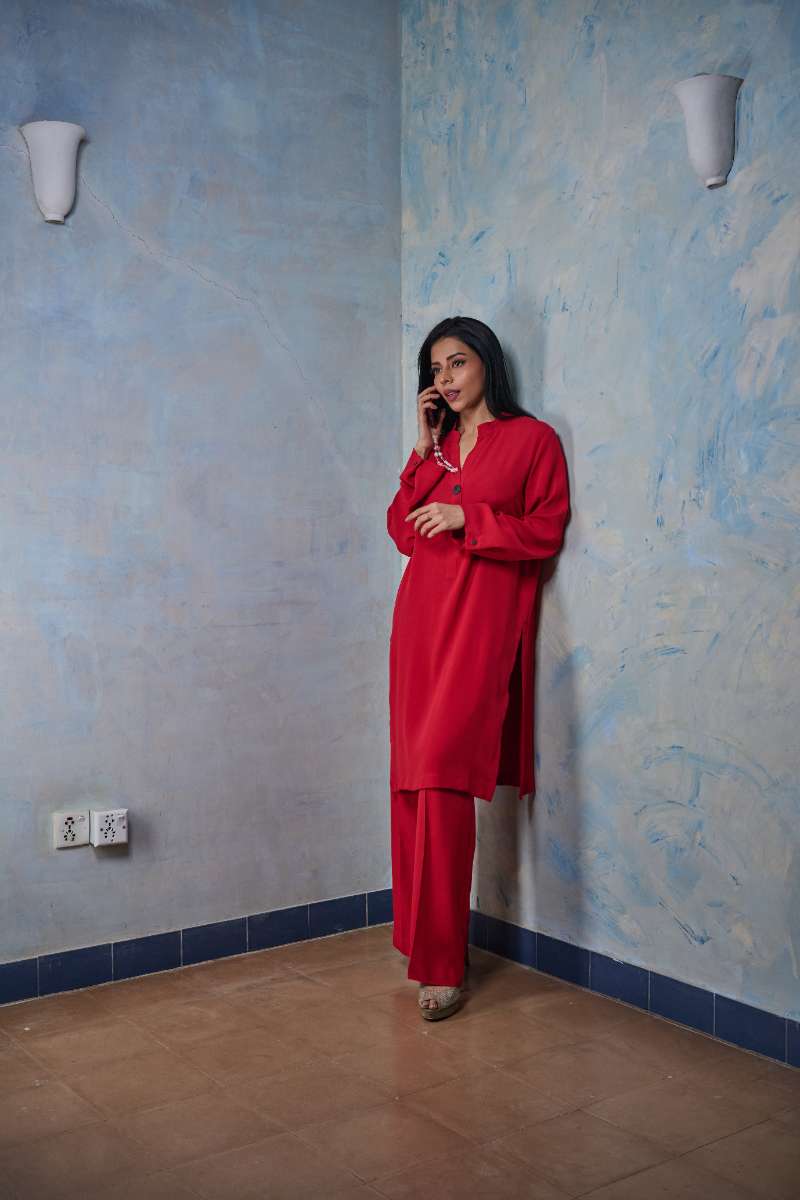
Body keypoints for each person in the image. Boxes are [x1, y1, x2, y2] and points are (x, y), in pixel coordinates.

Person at [386, 315, 571, 1021]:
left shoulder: (532, 441)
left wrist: (473, 520)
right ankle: (422, 945)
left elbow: (545, 530)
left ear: (487, 362)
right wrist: (420, 449)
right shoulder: (437, 450)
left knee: (440, 778)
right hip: (419, 629)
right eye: (436, 369)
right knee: (412, 785)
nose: (446, 378)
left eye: (457, 362)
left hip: (478, 630)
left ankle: (442, 965)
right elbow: (402, 531)